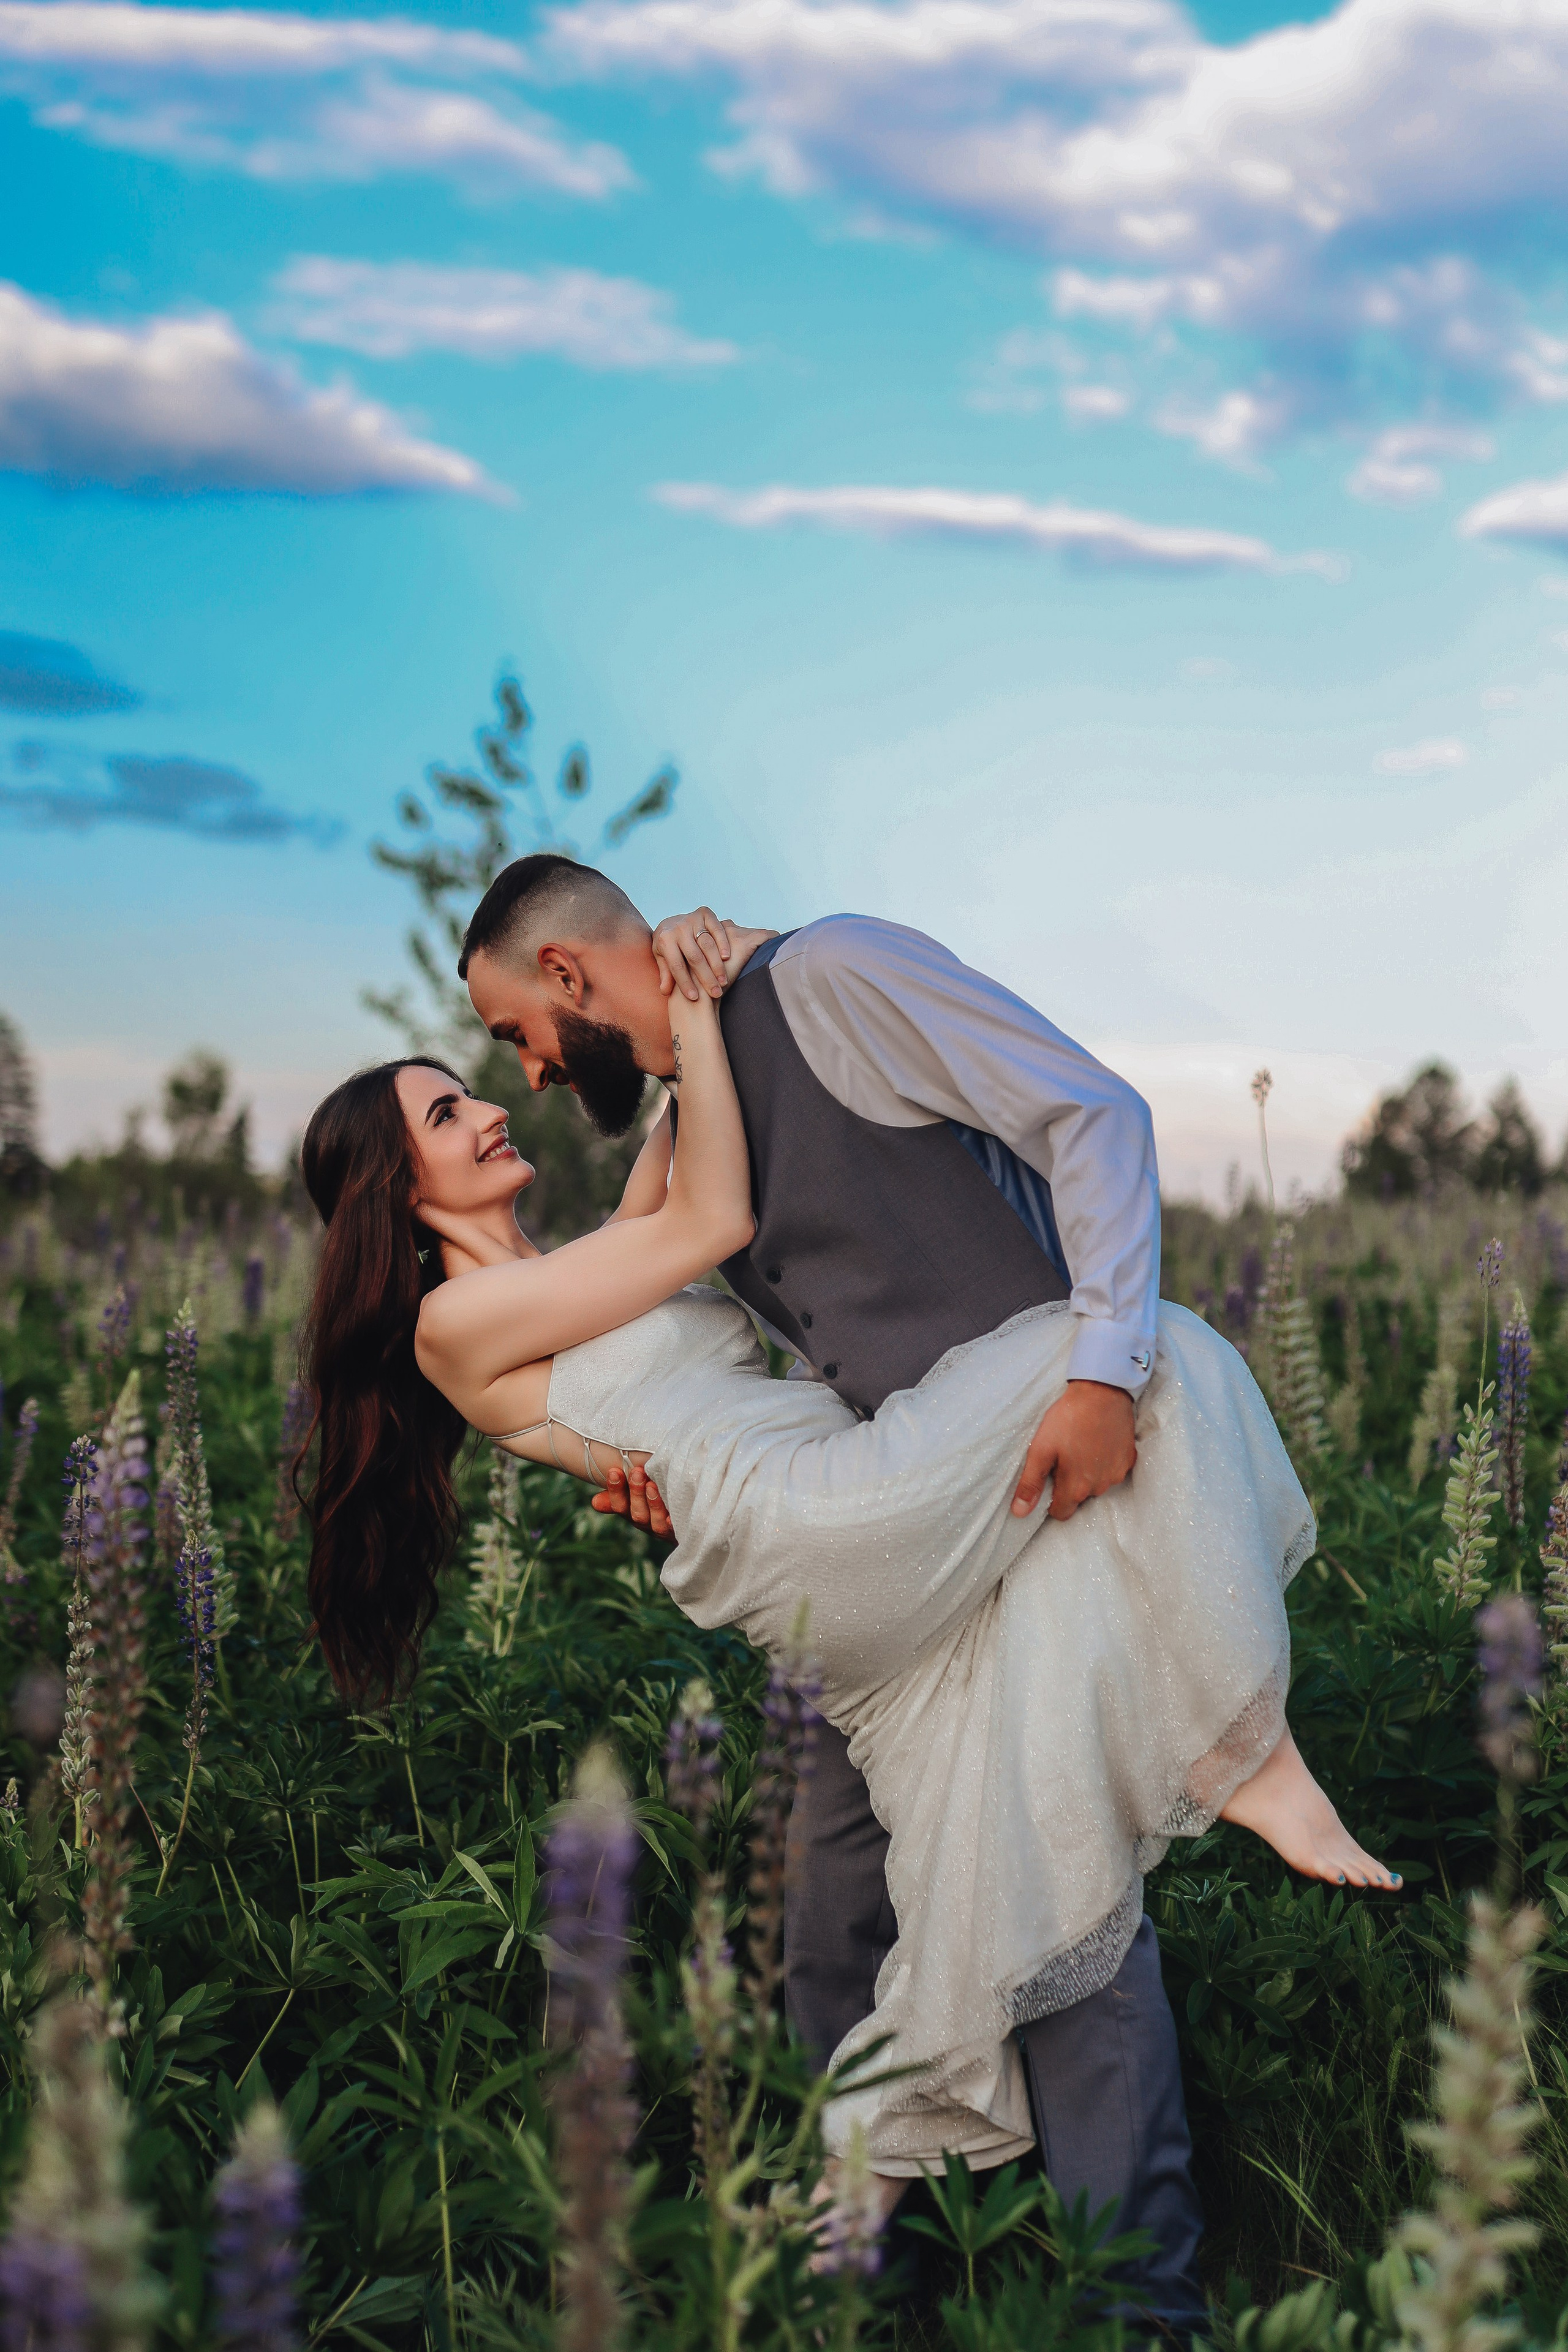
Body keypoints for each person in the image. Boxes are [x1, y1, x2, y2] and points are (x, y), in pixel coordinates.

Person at [300, 877, 1396, 2335]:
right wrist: (698, 1000)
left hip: (845, 1525)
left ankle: (886, 2226)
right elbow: (716, 1211)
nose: (508, 1093)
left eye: (501, 1049)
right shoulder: (455, 1322)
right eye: (453, 1107)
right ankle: (1241, 1749)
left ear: (564, 967)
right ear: (399, 1188)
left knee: (998, 1863)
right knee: (1143, 1350)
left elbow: (678, 1157)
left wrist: (719, 958)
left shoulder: (583, 1257)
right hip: (820, 1519)